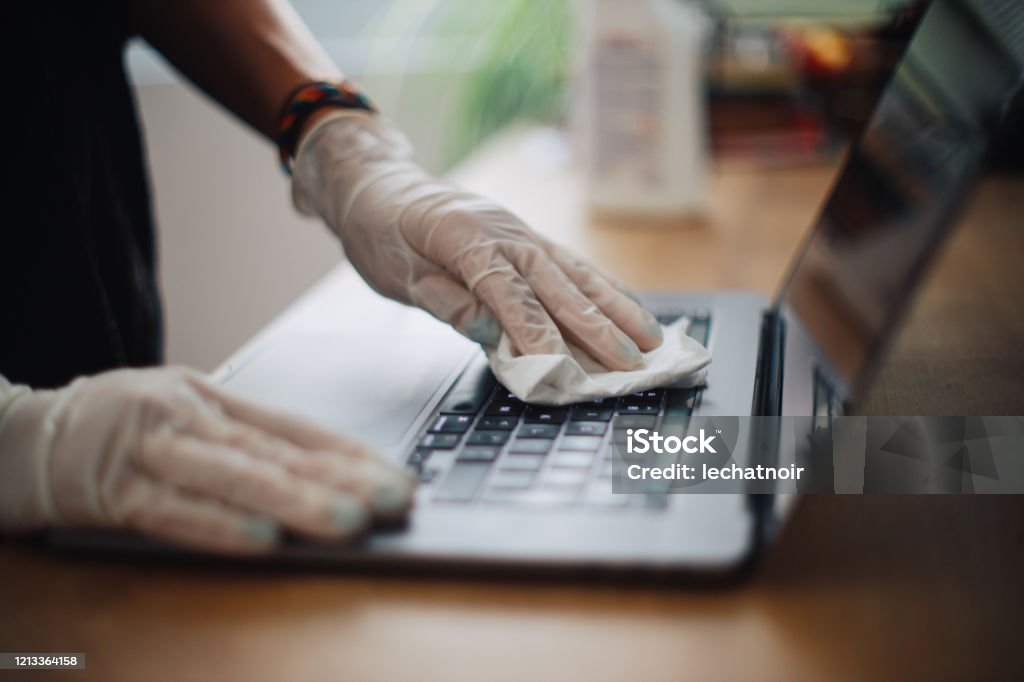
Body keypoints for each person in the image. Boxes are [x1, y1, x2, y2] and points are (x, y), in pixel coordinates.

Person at [0, 1, 663, 553]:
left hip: (96, 372)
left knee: (731, 475)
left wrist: (339, 141)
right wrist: (21, 442)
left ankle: (753, 464)